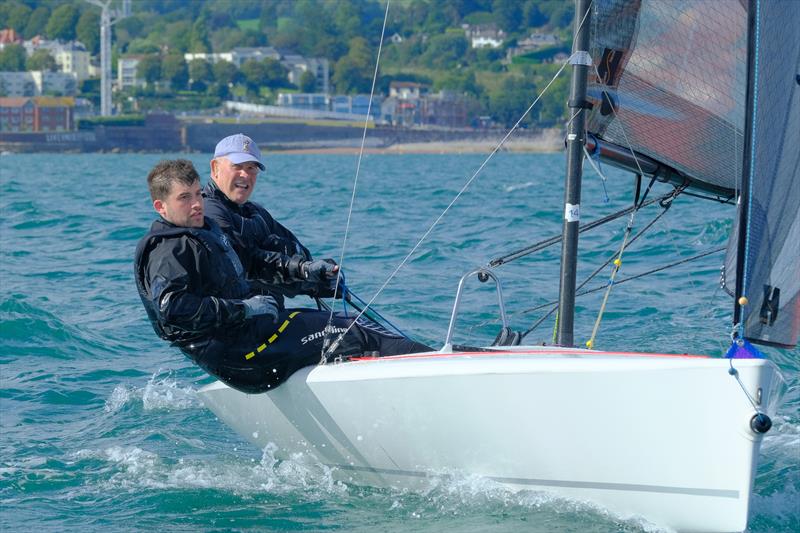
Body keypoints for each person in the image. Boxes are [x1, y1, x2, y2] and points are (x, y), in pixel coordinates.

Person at [134, 159, 431, 394]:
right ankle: (433, 369)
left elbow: (255, 264)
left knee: (349, 326)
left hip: (251, 338)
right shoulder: (168, 249)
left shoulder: (201, 231)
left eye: (198, 193)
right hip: (243, 356)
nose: (197, 203)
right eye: (184, 198)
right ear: (161, 207)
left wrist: (310, 275)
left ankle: (429, 363)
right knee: (354, 332)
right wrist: (244, 309)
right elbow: (173, 309)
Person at [202, 133, 332, 308]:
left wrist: (320, 278)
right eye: (237, 166)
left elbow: (299, 252)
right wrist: (303, 270)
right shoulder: (207, 211)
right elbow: (243, 261)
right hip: (234, 324)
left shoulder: (257, 213)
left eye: (251, 168)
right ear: (215, 168)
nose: (245, 175)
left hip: (269, 319)